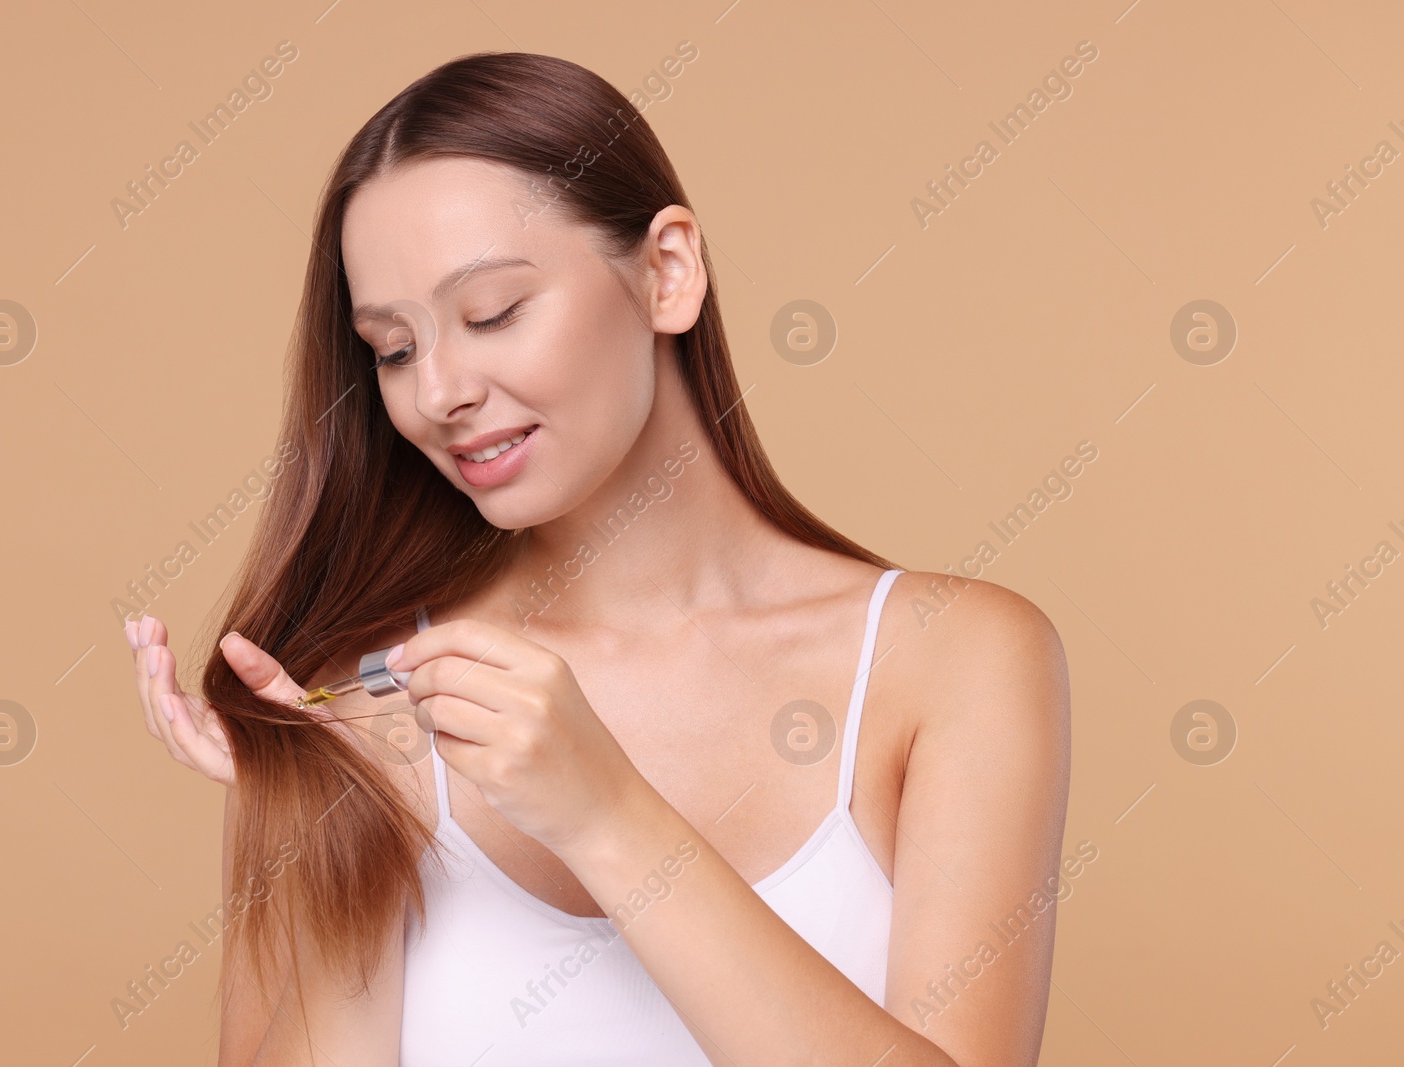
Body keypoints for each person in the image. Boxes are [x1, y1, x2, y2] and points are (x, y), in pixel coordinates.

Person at [127, 50, 1070, 1067]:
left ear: (666, 272)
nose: (438, 391)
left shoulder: (951, 659)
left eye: (493, 312)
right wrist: (338, 813)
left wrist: (605, 812)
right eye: (394, 348)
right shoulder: (361, 705)